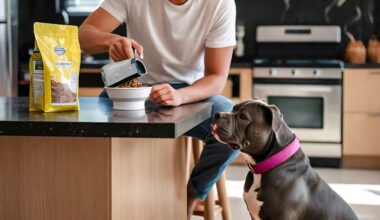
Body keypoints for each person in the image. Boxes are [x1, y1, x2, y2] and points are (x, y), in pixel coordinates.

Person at [79, 0, 239, 218]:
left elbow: (216, 78)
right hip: (133, 86)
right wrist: (112, 40)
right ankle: (106, 203)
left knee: (234, 128)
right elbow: (83, 35)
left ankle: (190, 197)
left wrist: (180, 96)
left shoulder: (219, 4)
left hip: (190, 93)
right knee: (91, 136)